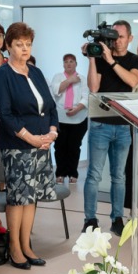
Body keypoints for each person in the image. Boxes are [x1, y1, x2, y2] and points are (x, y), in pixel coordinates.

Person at [0, 22, 58, 269]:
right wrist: (30, 138)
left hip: (42, 145)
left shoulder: (36, 72)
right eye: (19, 44)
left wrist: (52, 132)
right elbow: (5, 114)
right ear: (8, 46)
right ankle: (15, 247)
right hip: (17, 146)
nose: (24, 48)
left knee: (32, 198)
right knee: (18, 198)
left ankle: (27, 245)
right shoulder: (1, 75)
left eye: (28, 44)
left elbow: (51, 107)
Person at [82, 19, 138, 236]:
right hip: (100, 124)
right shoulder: (100, 58)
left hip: (123, 126)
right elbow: (93, 87)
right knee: (94, 175)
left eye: (121, 37)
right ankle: (90, 219)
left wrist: (111, 61)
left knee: (119, 176)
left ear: (130, 38)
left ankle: (117, 218)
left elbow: (133, 81)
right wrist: (92, 59)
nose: (116, 41)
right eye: (113, 37)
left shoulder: (135, 60)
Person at [49, 53, 88, 183]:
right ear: (63, 64)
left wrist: (77, 109)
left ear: (76, 64)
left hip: (79, 118)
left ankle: (73, 173)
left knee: (74, 147)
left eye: (71, 61)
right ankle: (60, 173)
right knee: (60, 147)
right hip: (60, 118)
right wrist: (70, 80)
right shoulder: (58, 77)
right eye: (66, 62)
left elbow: (86, 97)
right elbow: (55, 91)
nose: (69, 64)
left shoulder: (82, 79)